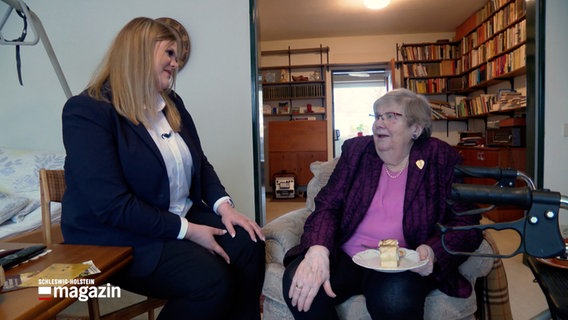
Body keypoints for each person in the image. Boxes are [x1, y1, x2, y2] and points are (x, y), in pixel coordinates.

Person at [60, 17, 265, 320]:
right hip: (120, 234)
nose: (176, 62)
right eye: (169, 53)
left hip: (174, 217)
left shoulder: (171, 103)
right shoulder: (87, 111)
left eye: (177, 55)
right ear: (140, 51)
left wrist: (225, 207)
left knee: (250, 244)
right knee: (210, 281)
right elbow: (112, 206)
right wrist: (189, 231)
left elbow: (200, 163)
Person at [282, 88, 483, 319]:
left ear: (415, 129)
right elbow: (328, 204)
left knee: (394, 297)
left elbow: (467, 222)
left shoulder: (441, 158)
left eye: (391, 116)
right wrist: (318, 249)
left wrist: (432, 251)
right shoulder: (356, 152)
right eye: (377, 116)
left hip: (401, 261)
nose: (379, 123)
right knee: (297, 279)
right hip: (346, 254)